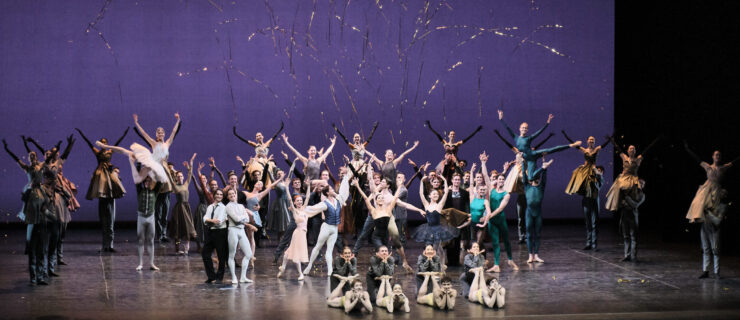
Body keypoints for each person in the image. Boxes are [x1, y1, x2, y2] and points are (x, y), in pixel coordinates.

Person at [75, 127, 129, 252]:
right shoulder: (98, 153)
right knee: (104, 219)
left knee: (110, 219)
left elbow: (117, 144)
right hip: (101, 174)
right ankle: (105, 245)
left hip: (108, 173)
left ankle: (110, 245)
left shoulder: (110, 151)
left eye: (105, 142)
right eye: (102, 142)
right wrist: (82, 133)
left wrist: (124, 134)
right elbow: (89, 144)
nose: (104, 143)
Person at [302, 171, 351, 276]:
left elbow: (344, 191)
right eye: (331, 189)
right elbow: (312, 209)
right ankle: (309, 265)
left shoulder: (339, 200)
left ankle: (330, 271)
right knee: (318, 246)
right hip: (326, 227)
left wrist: (346, 177)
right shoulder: (324, 204)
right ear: (328, 193)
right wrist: (300, 210)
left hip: (334, 229)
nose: (333, 190)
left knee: (330, 250)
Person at [278, 181, 322, 280]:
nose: (299, 202)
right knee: (295, 254)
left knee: (288, 252)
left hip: (302, 235)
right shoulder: (295, 210)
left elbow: (307, 198)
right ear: (294, 203)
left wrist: (309, 186)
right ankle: (300, 273)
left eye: (300, 200)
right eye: (297, 201)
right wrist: (287, 187)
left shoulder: (304, 209)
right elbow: (289, 198)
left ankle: (283, 268)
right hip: (297, 234)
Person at [684, 142, 737, 223]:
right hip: (707, 188)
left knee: (714, 207)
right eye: (716, 155)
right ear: (713, 157)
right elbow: (697, 158)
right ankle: (698, 216)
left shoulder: (723, 168)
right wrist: (687, 149)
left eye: (719, 155)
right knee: (697, 201)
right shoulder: (708, 167)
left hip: (716, 189)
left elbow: (734, 162)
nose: (718, 156)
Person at [413, 175, 459, 267]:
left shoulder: (439, 205)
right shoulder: (426, 205)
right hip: (428, 229)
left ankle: (438, 267)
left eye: (437, 194)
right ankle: (434, 265)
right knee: (432, 248)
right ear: (429, 196)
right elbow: (421, 194)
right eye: (434, 194)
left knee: (435, 249)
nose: (436, 195)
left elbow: (445, 193)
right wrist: (422, 181)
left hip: (437, 230)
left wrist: (445, 180)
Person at [604, 136, 658, 211]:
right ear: (628, 151)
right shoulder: (624, 157)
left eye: (633, 149)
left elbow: (647, 149)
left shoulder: (638, 159)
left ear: (635, 151)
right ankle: (618, 203)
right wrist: (611, 140)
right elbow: (618, 148)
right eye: (630, 148)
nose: (632, 150)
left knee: (633, 191)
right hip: (624, 177)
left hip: (633, 178)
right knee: (619, 187)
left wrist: (656, 140)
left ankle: (631, 204)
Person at [478, 173, 518, 272]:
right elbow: (486, 177)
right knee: (495, 243)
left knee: (506, 241)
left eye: (502, 179)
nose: (500, 181)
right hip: (492, 221)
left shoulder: (506, 194)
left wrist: (487, 216)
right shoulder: (491, 189)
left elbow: (500, 209)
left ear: (504, 182)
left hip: (500, 220)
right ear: (497, 180)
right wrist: (483, 163)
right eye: (499, 179)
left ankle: (510, 260)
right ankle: (496, 265)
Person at [128, 155, 161, 271]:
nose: (147, 182)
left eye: (149, 180)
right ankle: (140, 263)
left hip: (151, 217)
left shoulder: (155, 191)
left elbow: (160, 181)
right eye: (145, 180)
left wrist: (156, 166)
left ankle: (151, 263)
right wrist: (137, 164)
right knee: (140, 240)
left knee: (151, 240)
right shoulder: (140, 190)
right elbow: (137, 178)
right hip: (141, 217)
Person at [522, 159, 554, 263]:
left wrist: (544, 166)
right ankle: (530, 256)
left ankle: (536, 255)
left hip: (538, 213)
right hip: (529, 213)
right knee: (529, 234)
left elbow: (544, 177)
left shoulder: (541, 187)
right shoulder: (527, 187)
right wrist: (523, 162)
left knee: (537, 234)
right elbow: (523, 174)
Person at [166, 154, 198, 255]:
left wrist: (191, 162)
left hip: (186, 208)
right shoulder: (174, 186)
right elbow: (169, 177)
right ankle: (177, 247)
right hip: (179, 209)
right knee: (178, 230)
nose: (180, 177)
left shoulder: (186, 184)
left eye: (181, 176)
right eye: (178, 176)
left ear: (183, 177)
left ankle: (187, 246)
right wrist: (165, 166)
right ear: (176, 177)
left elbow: (190, 173)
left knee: (188, 228)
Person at [225, 188, 256, 284]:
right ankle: (234, 277)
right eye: (230, 194)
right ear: (227, 197)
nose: (232, 195)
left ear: (236, 195)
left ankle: (243, 277)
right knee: (232, 255)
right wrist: (242, 217)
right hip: (233, 230)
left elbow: (247, 219)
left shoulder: (241, 206)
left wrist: (242, 218)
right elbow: (236, 218)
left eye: (233, 194)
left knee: (248, 254)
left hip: (242, 230)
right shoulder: (228, 207)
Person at [699, 189, 727, 279]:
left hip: (714, 231)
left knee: (715, 250)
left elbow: (718, 221)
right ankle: (705, 271)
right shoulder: (709, 203)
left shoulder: (723, 206)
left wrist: (709, 213)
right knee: (705, 249)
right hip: (705, 229)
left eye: (723, 194)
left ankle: (716, 272)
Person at [202, 189, 228, 283]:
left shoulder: (223, 207)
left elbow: (219, 222)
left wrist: (209, 220)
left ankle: (219, 277)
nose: (219, 196)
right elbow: (204, 218)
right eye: (217, 194)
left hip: (220, 232)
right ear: (214, 195)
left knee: (221, 256)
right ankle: (211, 276)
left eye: (221, 194)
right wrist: (211, 220)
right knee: (205, 253)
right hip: (211, 232)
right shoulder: (210, 207)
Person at [619, 180, 645, 262]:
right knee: (626, 236)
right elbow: (621, 202)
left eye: (643, 184)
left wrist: (627, 199)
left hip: (633, 216)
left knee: (633, 236)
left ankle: (633, 256)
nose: (641, 185)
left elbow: (635, 205)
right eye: (640, 183)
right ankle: (627, 255)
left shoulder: (642, 195)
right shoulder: (629, 192)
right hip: (625, 215)